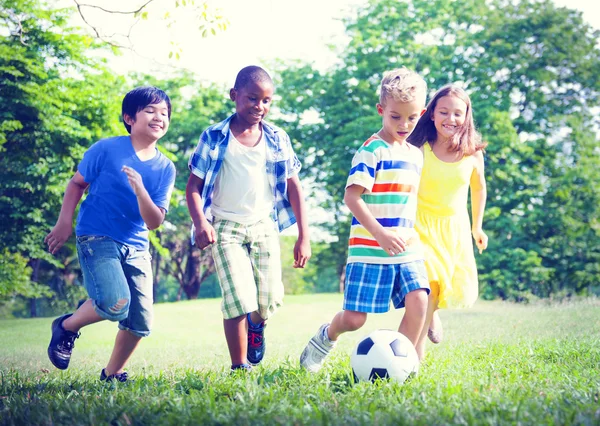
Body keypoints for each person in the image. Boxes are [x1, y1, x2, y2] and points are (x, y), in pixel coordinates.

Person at [300, 67, 430, 372]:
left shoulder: (416, 154)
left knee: (420, 301)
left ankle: (401, 366)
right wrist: (380, 234)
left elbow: (409, 203)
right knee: (355, 319)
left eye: (411, 118)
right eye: (395, 116)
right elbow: (352, 197)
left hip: (406, 247)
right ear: (381, 110)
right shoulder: (371, 151)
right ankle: (325, 337)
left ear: (421, 113)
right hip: (369, 248)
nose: (404, 124)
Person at [45, 86, 176, 382]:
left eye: (164, 113)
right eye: (150, 110)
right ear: (129, 117)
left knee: (140, 322)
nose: (159, 117)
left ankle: (112, 373)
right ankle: (66, 326)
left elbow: (154, 221)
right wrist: (64, 223)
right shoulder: (107, 149)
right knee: (115, 303)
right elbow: (76, 184)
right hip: (97, 237)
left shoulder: (165, 168)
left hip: (138, 247)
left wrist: (141, 190)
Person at [186, 65, 311, 372]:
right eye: (252, 98)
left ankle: (257, 326)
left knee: (268, 301)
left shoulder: (277, 138)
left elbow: (294, 187)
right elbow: (193, 187)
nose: (259, 106)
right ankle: (239, 365)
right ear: (235, 96)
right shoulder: (214, 137)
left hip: (264, 226)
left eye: (266, 101)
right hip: (225, 228)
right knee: (238, 298)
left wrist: (303, 236)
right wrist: (201, 222)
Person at [407, 84, 488, 359]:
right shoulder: (419, 148)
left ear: (466, 117)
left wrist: (477, 226)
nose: (450, 119)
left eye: (457, 113)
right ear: (430, 114)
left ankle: (433, 316)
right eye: (443, 112)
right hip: (419, 226)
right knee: (427, 285)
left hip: (453, 229)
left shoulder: (472, 153)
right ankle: (413, 360)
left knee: (440, 284)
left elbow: (478, 188)